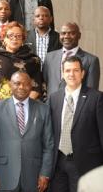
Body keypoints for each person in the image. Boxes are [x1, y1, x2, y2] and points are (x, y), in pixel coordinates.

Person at [0, 71, 54, 192]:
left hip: (34, 176)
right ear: (10, 85)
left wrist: (45, 173)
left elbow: (48, 145)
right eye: (17, 83)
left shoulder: (43, 109)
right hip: (4, 174)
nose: (21, 87)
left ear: (31, 85)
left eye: (25, 84)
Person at [49, 56, 103, 192]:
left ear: (82, 73)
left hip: (85, 164)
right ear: (62, 73)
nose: (71, 74)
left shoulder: (96, 98)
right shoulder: (54, 98)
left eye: (76, 70)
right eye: (67, 71)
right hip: (58, 163)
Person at [0, 21, 42, 102]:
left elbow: (36, 86)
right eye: (10, 35)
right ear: (4, 39)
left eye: (18, 36)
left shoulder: (32, 60)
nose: (14, 38)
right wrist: (1, 107)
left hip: (26, 105)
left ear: (23, 40)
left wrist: (23, 105)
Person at [43, 22, 100, 97]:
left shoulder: (91, 60)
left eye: (71, 33)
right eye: (63, 33)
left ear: (79, 35)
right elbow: (45, 82)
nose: (66, 36)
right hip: (52, 105)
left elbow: (91, 91)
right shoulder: (49, 57)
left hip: (78, 106)